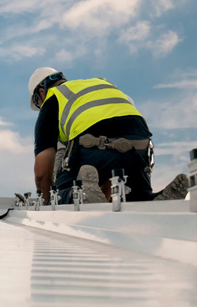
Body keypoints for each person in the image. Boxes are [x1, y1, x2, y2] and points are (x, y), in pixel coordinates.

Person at [29, 67, 189, 204]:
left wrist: (47, 202)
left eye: (38, 101)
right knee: (135, 198)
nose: (40, 105)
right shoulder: (100, 83)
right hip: (139, 147)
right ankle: (153, 201)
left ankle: (79, 194)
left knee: (61, 192)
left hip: (95, 148)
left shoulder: (54, 97)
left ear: (42, 92)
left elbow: (42, 174)